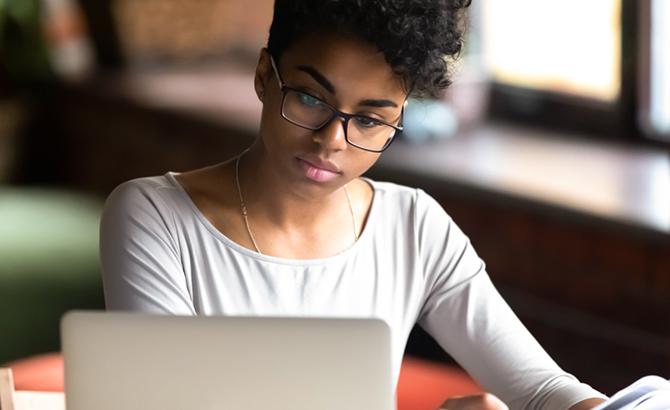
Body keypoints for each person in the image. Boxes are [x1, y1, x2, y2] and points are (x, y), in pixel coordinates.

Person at [99, 1, 609, 409]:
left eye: (369, 120)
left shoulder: (414, 228)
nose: (333, 140)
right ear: (263, 76)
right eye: (311, 99)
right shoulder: (155, 218)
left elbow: (541, 390)